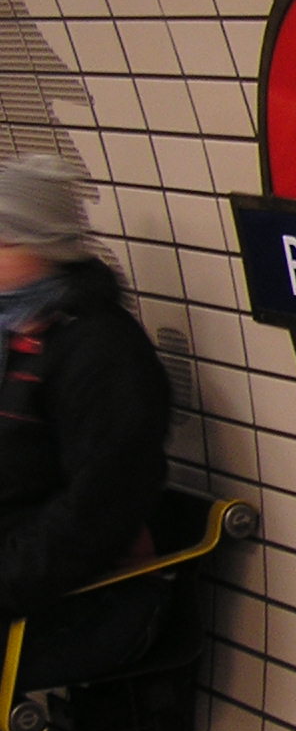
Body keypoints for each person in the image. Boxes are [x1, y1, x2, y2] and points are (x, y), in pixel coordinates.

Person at [0, 152, 171, 690]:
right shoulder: (14, 332)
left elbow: (98, 509)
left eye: (3, 242)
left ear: (45, 248)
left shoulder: (100, 352)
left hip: (81, 603)